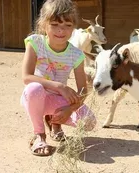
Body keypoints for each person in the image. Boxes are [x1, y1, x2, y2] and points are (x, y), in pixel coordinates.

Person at [21, 0, 96, 156]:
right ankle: (39, 135)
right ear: (44, 25)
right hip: (36, 97)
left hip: (58, 102)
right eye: (55, 24)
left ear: (74, 28)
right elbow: (27, 77)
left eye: (67, 25)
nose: (61, 30)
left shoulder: (76, 54)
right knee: (34, 88)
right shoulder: (35, 42)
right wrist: (60, 86)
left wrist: (69, 109)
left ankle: (55, 123)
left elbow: (82, 90)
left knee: (89, 122)